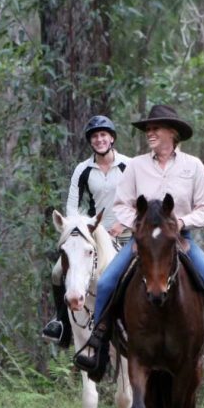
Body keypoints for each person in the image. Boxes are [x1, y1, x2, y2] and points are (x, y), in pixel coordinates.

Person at [73, 104, 204, 381]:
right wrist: (138, 224)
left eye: (155, 128)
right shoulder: (136, 166)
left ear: (172, 133)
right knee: (107, 282)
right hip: (143, 243)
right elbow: (121, 204)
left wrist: (182, 222)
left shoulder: (192, 166)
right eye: (147, 129)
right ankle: (97, 346)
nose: (149, 133)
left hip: (180, 240)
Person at [41, 116, 131, 347]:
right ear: (90, 141)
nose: (99, 139)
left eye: (103, 135)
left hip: (127, 233)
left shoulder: (129, 166)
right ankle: (61, 323)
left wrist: (124, 223)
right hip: (93, 234)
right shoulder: (83, 169)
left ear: (112, 138)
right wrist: (81, 227)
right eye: (94, 136)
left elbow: (141, 200)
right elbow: (72, 204)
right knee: (56, 272)